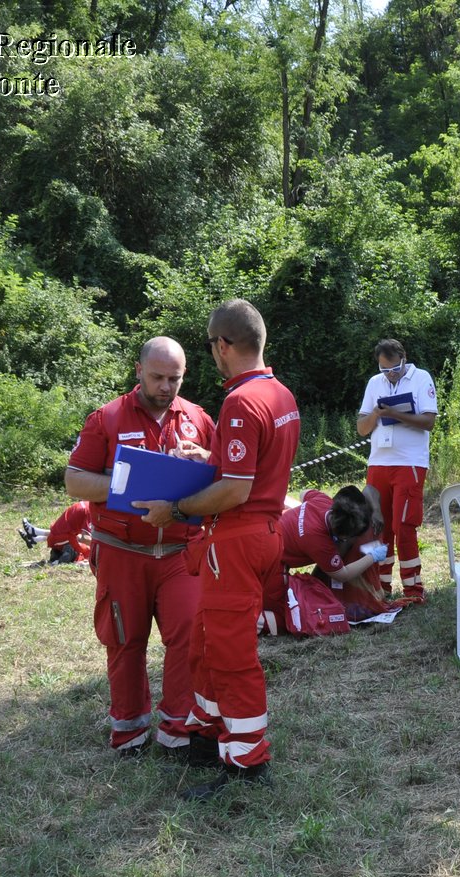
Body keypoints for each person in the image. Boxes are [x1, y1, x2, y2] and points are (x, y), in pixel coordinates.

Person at [134, 299, 300, 798]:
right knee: (207, 643)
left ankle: (247, 763)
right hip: (263, 534)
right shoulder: (278, 394)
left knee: (230, 655)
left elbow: (235, 491)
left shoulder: (240, 402)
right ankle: (207, 737)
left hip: (235, 539)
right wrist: (207, 456)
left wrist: (177, 508)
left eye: (211, 347)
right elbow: (253, 468)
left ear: (223, 346)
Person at [65, 338, 216, 758]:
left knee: (187, 639)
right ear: (138, 370)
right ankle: (128, 732)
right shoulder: (107, 419)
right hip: (121, 551)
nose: (167, 386)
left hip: (179, 554)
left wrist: (205, 459)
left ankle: (178, 732)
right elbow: (76, 480)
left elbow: (221, 476)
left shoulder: (199, 419)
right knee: (124, 640)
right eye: (158, 377)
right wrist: (126, 485)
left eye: (175, 378)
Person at [356, 338, 437, 605]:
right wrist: (378, 415)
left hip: (410, 462)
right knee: (377, 527)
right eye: (383, 370)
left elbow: (428, 421)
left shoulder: (421, 378)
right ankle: (380, 585)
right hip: (379, 463)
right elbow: (362, 428)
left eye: (393, 369)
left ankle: (414, 588)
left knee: (403, 525)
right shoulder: (373, 383)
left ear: (403, 359)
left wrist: (397, 413)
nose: (389, 374)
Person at [272, 484, 392, 628]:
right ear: (341, 535)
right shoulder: (320, 542)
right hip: (271, 561)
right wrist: (372, 556)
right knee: (286, 613)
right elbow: (342, 574)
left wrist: (300, 519)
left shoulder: (323, 501)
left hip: (272, 532)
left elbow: (303, 492)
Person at [19, 501, 92, 564]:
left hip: (59, 532)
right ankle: (34, 536)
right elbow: (85, 538)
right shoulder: (89, 512)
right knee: (83, 549)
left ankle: (34, 536)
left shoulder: (86, 504)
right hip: (62, 537)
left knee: (72, 536)